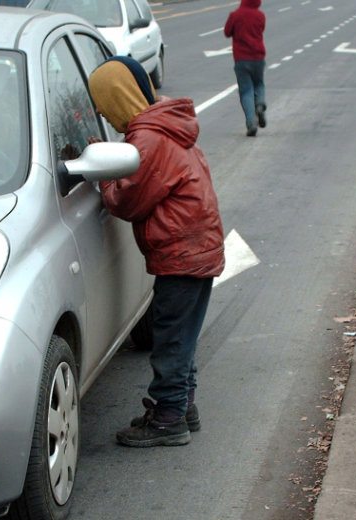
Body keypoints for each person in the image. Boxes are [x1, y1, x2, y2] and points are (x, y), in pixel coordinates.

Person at [88, 56, 226, 447]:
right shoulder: (166, 124)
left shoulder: (147, 139)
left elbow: (127, 203)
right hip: (197, 246)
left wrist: (102, 177)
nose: (99, 109)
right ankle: (182, 407)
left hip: (182, 251)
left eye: (102, 100)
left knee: (170, 338)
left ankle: (168, 419)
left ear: (117, 97)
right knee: (181, 336)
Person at [224, 0, 267, 137]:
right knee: (259, 84)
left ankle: (251, 123)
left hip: (241, 59)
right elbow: (261, 29)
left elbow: (227, 32)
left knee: (246, 91)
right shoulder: (260, 16)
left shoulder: (235, 15)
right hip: (258, 58)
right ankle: (260, 104)